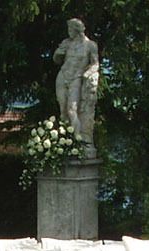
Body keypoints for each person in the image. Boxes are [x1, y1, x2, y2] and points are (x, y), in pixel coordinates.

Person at [54, 18, 100, 157]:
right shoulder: (67, 43)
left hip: (77, 78)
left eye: (70, 29)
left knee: (72, 109)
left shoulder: (90, 45)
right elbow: (56, 60)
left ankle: (78, 141)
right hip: (63, 76)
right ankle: (65, 141)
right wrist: (58, 53)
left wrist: (88, 73)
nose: (68, 32)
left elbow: (95, 64)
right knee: (63, 110)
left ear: (76, 30)